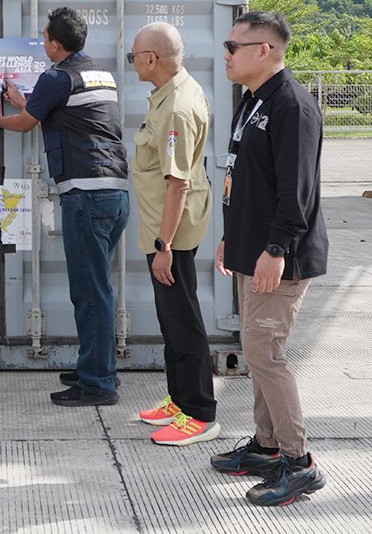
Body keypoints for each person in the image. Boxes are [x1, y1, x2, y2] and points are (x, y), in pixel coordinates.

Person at [209, 10, 330, 507]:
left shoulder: (291, 106)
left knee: (265, 353)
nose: (225, 55)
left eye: (233, 47)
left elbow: (295, 191)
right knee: (257, 349)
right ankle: (265, 446)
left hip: (281, 256)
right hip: (252, 249)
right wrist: (231, 238)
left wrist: (276, 248)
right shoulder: (252, 101)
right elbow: (243, 179)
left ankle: (299, 463)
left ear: (265, 50)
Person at [0, 6, 130, 407]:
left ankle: (98, 383)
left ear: (54, 43)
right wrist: (23, 101)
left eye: (44, 36)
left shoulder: (56, 77)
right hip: (114, 192)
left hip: (85, 194)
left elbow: (26, 123)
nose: (43, 41)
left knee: (90, 292)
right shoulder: (98, 73)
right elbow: (57, 112)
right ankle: (96, 366)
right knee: (96, 287)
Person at [128, 22, 220, 446]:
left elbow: (178, 183)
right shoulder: (170, 94)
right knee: (170, 317)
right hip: (162, 228)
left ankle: (200, 413)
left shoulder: (177, 108)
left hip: (172, 233)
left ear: (151, 58)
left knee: (183, 320)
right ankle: (179, 400)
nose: (133, 63)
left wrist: (164, 245)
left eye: (134, 56)